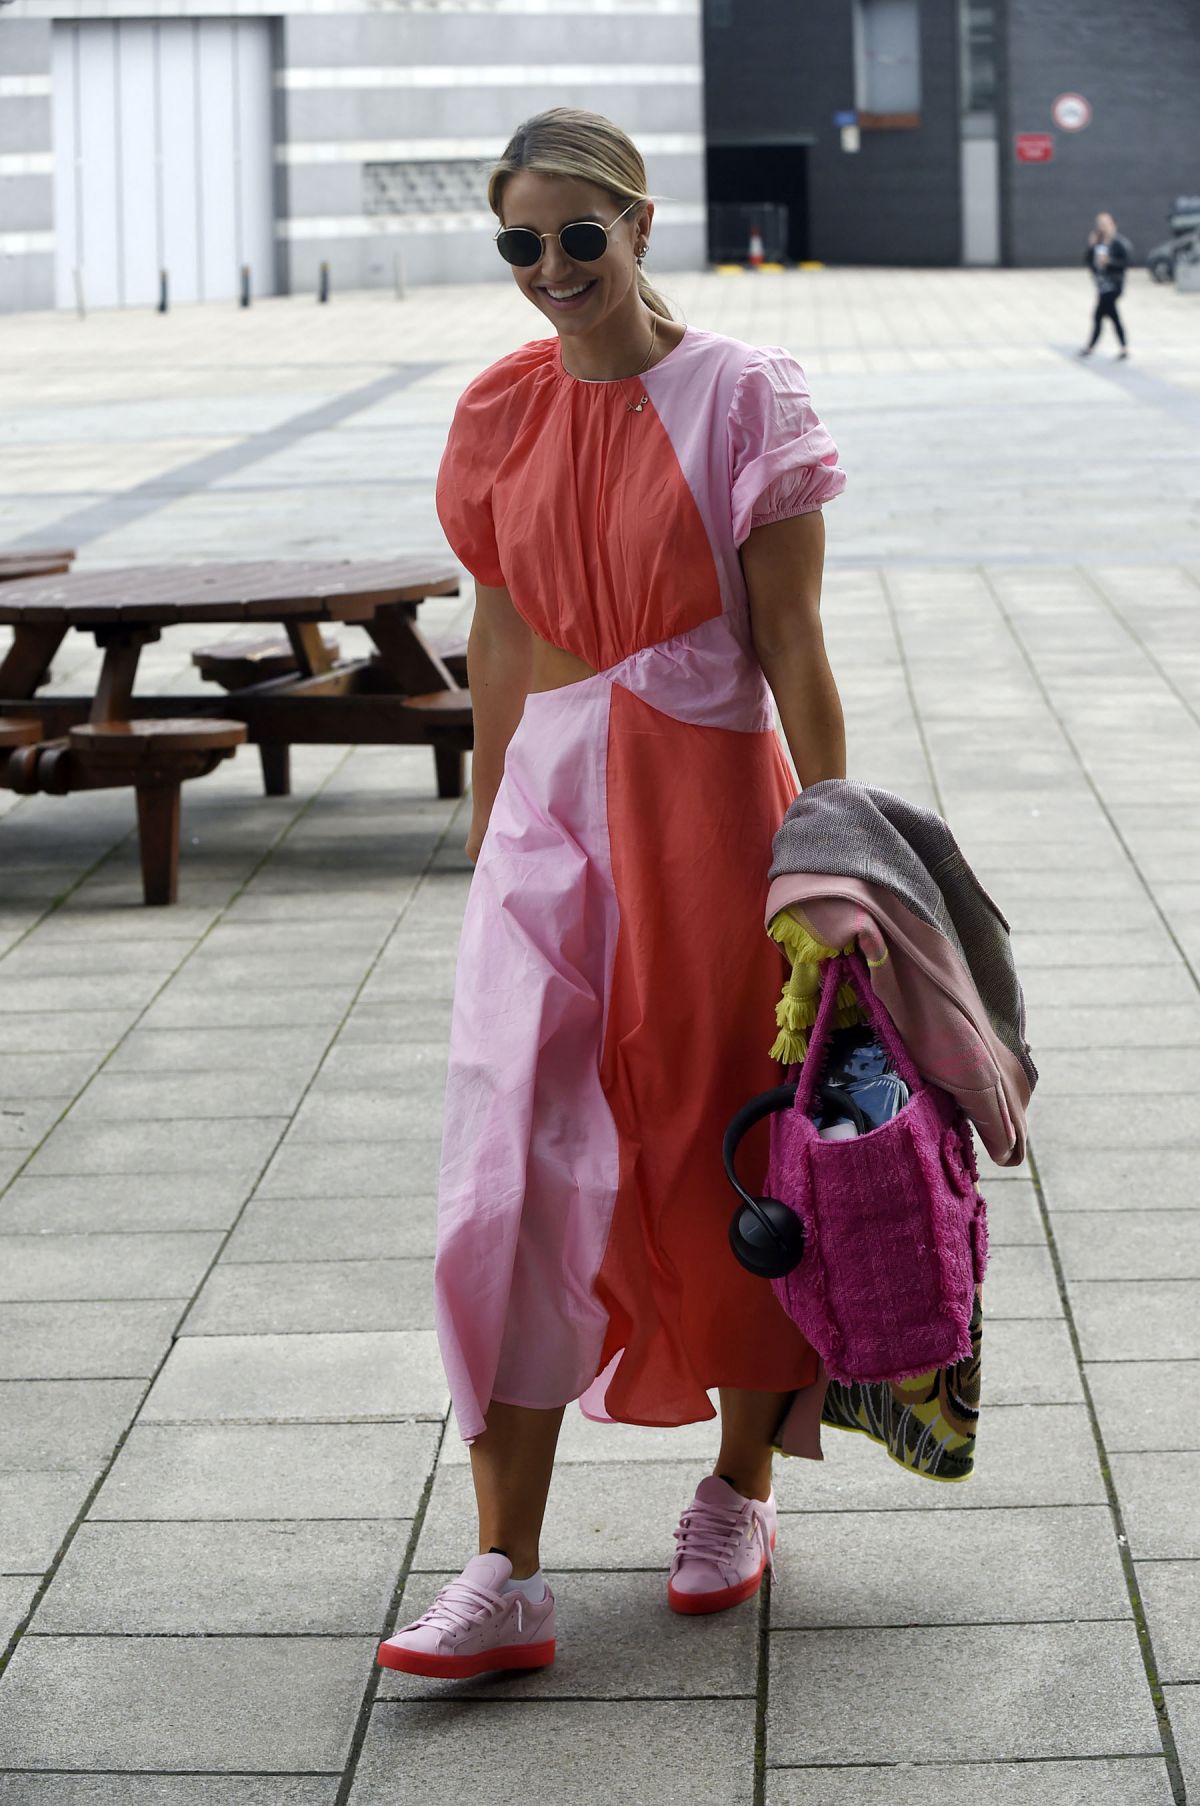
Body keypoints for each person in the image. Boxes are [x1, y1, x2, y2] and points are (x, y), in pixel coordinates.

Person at [376, 106, 847, 1683]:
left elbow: (796, 647)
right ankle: (503, 1567)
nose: (553, 266)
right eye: (522, 241)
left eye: (581, 234)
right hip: (547, 831)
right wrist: (488, 831)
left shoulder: (743, 393)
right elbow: (502, 636)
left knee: (721, 1147)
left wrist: (830, 848)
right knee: (504, 1169)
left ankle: (739, 1484)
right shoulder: (499, 411)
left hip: (708, 815)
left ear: (641, 225)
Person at [1079, 211, 1132, 358]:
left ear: (1112, 225)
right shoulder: (1098, 244)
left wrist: (1109, 262)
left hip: (1113, 286)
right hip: (1101, 286)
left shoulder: (1119, 243)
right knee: (1112, 316)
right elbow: (1088, 262)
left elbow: (1125, 263)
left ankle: (1090, 347)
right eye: (1099, 224)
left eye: (1105, 224)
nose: (1102, 227)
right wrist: (1091, 246)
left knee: (1098, 315)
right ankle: (1123, 348)